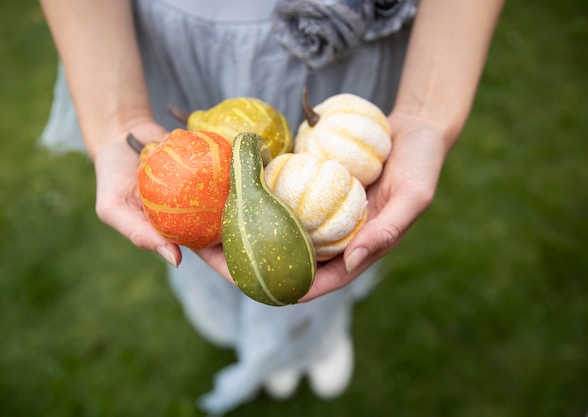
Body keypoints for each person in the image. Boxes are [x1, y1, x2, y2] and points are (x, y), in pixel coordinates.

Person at [39, 0, 504, 414]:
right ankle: (255, 342)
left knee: (333, 257)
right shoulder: (208, 164)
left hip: (344, 45)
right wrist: (117, 119)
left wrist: (426, 114)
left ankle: (313, 342)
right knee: (222, 272)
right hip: (181, 42)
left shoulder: (306, 153)